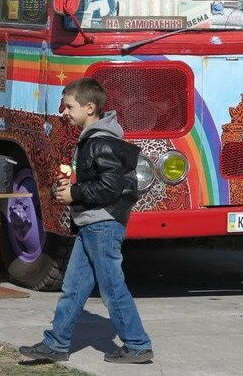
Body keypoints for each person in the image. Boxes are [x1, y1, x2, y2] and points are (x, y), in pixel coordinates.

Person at [19, 77, 154, 365]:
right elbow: (102, 181)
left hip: (102, 225)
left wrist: (75, 192)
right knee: (74, 288)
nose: (64, 112)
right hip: (91, 224)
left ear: (89, 107)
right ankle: (56, 344)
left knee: (112, 288)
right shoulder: (92, 140)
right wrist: (70, 188)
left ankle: (138, 345)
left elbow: (111, 187)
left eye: (69, 107)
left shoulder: (100, 141)